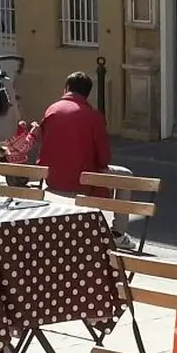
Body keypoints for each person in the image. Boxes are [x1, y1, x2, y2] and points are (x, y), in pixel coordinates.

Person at [38, 71, 137, 249]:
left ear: (67, 88)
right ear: (87, 93)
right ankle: (118, 234)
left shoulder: (52, 110)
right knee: (126, 176)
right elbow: (103, 157)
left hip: (52, 177)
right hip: (82, 181)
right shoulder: (94, 116)